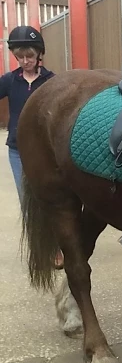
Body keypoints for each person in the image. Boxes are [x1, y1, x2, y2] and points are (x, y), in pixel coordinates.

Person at [0, 25, 63, 268]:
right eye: (20, 57)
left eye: (29, 56)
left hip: (46, 153)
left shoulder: (52, 81)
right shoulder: (10, 80)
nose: (25, 61)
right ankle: (40, 249)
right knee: (28, 201)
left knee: (48, 198)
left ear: (39, 55)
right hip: (17, 151)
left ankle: (57, 247)